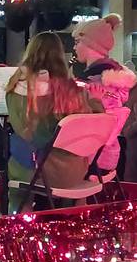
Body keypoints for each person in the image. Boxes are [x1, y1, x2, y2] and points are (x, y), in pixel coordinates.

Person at [6, 32, 97, 212]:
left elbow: (24, 131)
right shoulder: (73, 91)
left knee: (17, 149)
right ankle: (75, 221)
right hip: (74, 173)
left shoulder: (14, 88)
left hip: (36, 170)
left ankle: (18, 225)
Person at [71, 14, 137, 173]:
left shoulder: (95, 84)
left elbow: (90, 127)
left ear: (91, 45)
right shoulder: (111, 81)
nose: (74, 48)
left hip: (92, 158)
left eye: (77, 42)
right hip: (108, 154)